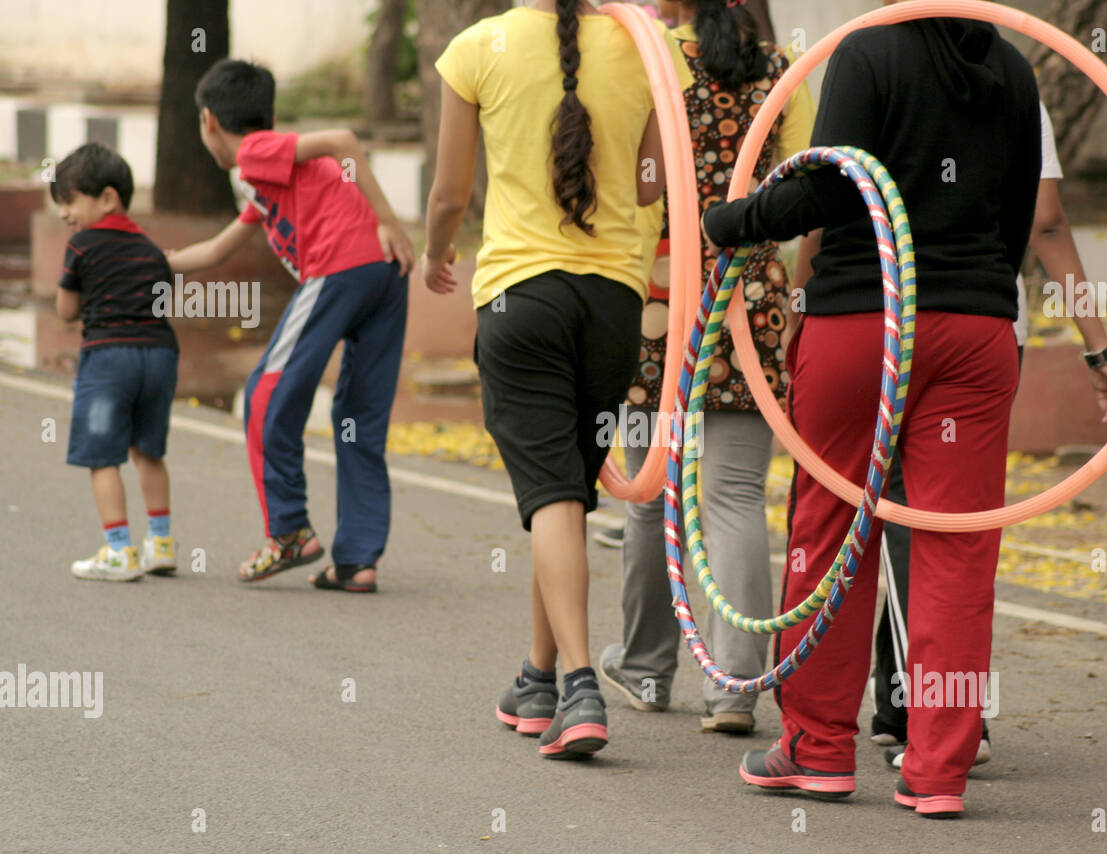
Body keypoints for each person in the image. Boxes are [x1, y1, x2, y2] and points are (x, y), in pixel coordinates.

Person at [702, 6, 1040, 817]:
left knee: (830, 531)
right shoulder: (1016, 68)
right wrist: (977, 285)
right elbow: (1020, 214)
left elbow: (829, 187)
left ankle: (818, 749)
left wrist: (733, 222)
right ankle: (939, 769)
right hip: (977, 329)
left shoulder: (868, 51)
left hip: (864, 323)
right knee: (955, 550)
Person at [424, 0, 689, 758]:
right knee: (565, 490)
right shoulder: (649, 45)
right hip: (614, 303)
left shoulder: (476, 48)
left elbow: (448, 193)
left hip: (519, 298)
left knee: (550, 493)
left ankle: (579, 684)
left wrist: (436, 253)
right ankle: (537, 677)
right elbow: (648, 188)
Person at [870, 99, 1107, 769]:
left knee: (910, 516)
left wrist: (807, 303)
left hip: (893, 321)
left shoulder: (879, 67)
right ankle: (905, 700)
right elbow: (1047, 224)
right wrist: (1099, 349)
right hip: (990, 329)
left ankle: (934, 716)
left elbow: (835, 205)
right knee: (951, 517)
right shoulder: (1018, 88)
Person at [599, 0, 814, 735]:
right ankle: (735, 688)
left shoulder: (644, 58)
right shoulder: (784, 74)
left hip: (656, 298)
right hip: (747, 295)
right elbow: (808, 195)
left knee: (650, 494)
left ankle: (647, 668)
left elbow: (634, 183)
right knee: (733, 497)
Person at [168, 59, 414, 593]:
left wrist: (388, 220)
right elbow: (213, 250)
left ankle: (289, 531)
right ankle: (357, 561)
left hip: (342, 270)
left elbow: (343, 139)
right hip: (385, 277)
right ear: (270, 109)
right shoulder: (269, 181)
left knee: (264, 396)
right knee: (358, 418)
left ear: (209, 121)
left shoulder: (255, 152)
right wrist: (154, 263)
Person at [53, 143, 179, 582]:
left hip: (109, 356)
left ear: (107, 198)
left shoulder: (82, 246)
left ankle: (120, 550)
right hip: (161, 354)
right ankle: (161, 543)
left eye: (69, 201)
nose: (64, 214)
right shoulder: (151, 248)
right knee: (149, 451)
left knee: (102, 456)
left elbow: (67, 311)